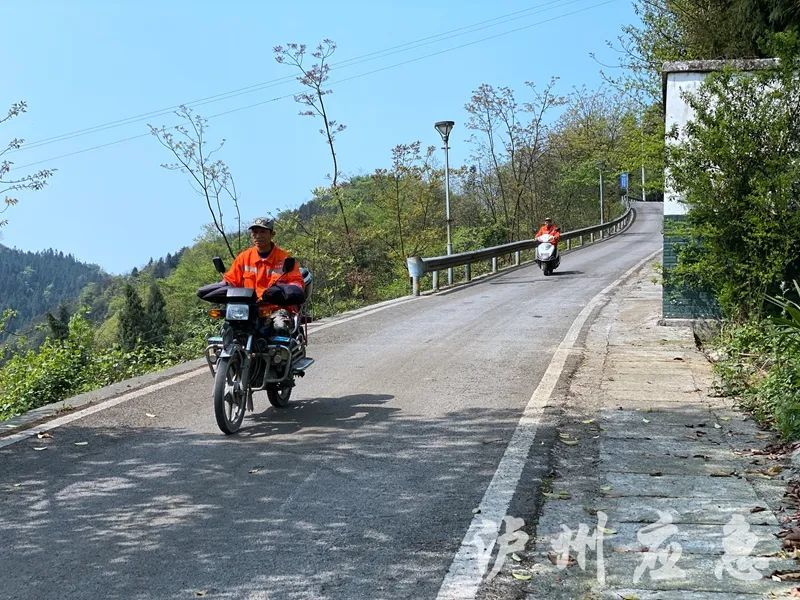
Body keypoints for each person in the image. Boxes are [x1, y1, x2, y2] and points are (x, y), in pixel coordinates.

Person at [222, 217, 305, 336]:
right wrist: (219, 289)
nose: (258, 236)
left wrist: (287, 292)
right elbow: (231, 280)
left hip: (276, 308)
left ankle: (282, 352)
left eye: (262, 232)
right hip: (249, 309)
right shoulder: (244, 257)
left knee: (280, 327)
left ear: (272, 234)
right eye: (255, 232)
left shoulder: (284, 258)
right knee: (228, 328)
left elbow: (296, 281)